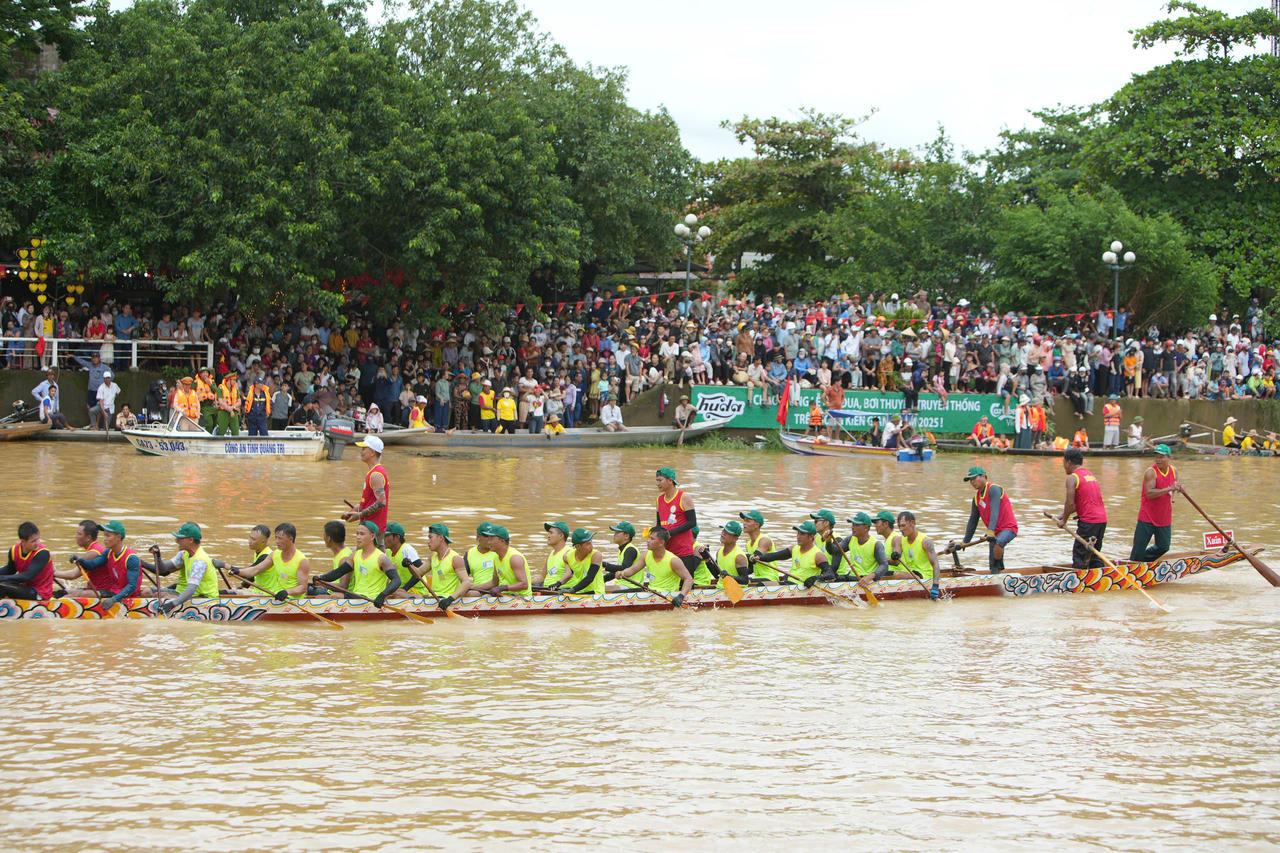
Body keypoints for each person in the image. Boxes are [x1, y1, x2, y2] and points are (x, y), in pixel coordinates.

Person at [316, 521, 400, 605]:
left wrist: (383, 595)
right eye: (357, 534)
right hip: (356, 596)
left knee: (335, 596)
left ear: (372, 536)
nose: (358, 537)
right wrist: (321, 578)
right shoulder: (355, 555)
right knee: (321, 596)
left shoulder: (381, 558)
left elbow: (396, 580)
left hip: (372, 599)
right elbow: (338, 573)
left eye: (362, 534)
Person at [1053, 448, 1108, 569]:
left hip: (1089, 522)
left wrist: (1064, 521)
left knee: (1079, 554)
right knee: (1094, 553)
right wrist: (1063, 514)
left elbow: (1070, 503)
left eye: (1063, 462)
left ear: (1068, 462)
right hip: (1101, 520)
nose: (1064, 466)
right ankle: (1100, 578)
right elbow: (1084, 502)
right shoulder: (1089, 475)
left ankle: (1076, 581)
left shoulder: (1072, 478)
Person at [147, 522, 219, 614]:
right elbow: (163, 569)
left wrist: (171, 605)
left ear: (190, 540)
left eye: (180, 538)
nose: (176, 540)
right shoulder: (184, 554)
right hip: (187, 594)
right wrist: (158, 556)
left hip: (204, 599)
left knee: (161, 595)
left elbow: (191, 590)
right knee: (147, 592)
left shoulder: (200, 561)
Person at [68, 521, 140, 607]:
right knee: (69, 591)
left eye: (108, 536)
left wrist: (113, 600)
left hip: (127, 596)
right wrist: (80, 560)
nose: (104, 539)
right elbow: (92, 565)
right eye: (104, 535)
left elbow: (132, 586)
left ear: (118, 537)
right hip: (113, 591)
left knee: (82, 594)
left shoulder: (131, 558)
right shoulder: (109, 552)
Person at [1130, 444, 1182, 562]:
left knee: (1164, 547)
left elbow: (1176, 487)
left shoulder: (1174, 471)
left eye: (1161, 457)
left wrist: (1179, 489)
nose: (1158, 460)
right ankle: (1135, 563)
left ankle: (1143, 561)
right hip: (1147, 517)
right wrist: (1169, 488)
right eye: (1156, 457)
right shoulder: (1151, 472)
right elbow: (1149, 493)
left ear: (1169, 457)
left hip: (1164, 516)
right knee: (1138, 550)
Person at [962, 466, 1018, 574]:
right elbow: (973, 521)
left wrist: (990, 530)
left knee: (999, 543)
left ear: (983, 476)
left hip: (1009, 528)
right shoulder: (976, 499)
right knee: (992, 565)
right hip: (993, 533)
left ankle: (999, 571)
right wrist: (965, 541)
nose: (972, 482)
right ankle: (997, 574)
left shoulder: (994, 489)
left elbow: (995, 510)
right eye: (970, 480)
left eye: (974, 478)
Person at [616, 527, 690, 607]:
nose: (648, 541)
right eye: (648, 538)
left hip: (667, 596)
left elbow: (688, 579)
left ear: (661, 543)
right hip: (651, 592)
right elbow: (633, 569)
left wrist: (681, 596)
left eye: (652, 539)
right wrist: (622, 573)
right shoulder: (646, 555)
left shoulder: (673, 561)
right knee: (615, 594)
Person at [748, 519, 832, 588]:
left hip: (802, 586)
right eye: (798, 533)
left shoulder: (818, 555)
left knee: (762, 586)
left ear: (810, 537)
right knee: (760, 585)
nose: (798, 536)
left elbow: (830, 574)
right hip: (789, 583)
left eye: (802, 534)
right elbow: (774, 556)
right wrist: (759, 557)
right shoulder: (794, 548)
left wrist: (815, 578)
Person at [341, 435, 389, 538]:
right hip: (368, 528)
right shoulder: (373, 473)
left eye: (364, 449)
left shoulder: (376, 474)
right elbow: (368, 501)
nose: (361, 452)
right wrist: (354, 511)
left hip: (373, 530)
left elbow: (381, 501)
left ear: (372, 452)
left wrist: (360, 515)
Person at [888, 511, 943, 599]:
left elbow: (935, 564)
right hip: (911, 572)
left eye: (903, 525)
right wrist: (893, 557)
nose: (901, 529)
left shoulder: (925, 541)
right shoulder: (899, 540)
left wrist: (935, 585)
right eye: (899, 526)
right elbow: (895, 563)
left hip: (924, 576)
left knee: (897, 575)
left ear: (912, 523)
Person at [420, 523, 471, 610]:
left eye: (430, 537)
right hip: (433, 597)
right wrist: (409, 564)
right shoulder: (432, 557)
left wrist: (450, 599)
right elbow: (418, 573)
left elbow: (466, 582)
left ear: (441, 538)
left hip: (447, 600)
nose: (428, 541)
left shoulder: (455, 559)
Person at [655, 466, 698, 567]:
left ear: (670, 480)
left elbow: (692, 522)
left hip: (683, 552)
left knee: (685, 582)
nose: (657, 484)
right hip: (666, 552)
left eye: (660, 480)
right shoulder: (659, 500)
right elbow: (659, 525)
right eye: (656, 480)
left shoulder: (684, 497)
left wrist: (670, 533)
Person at [0, 522, 54, 600]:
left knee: (2, 586)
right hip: (25, 588)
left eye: (38, 539)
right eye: (33, 541)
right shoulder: (14, 550)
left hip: (40, 593)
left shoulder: (42, 553)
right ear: (23, 541)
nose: (37, 543)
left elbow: (27, 576)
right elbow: (10, 570)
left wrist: (2, 578)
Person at [54, 519, 108, 594]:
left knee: (64, 597)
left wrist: (51, 572)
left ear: (88, 537)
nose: (76, 537)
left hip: (101, 591)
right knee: (60, 593)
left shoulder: (93, 553)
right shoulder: (95, 548)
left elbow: (73, 575)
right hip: (95, 589)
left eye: (79, 534)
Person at [699, 520, 750, 588]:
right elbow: (717, 575)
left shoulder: (739, 556)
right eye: (724, 530)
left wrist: (729, 576)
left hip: (735, 591)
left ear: (735, 538)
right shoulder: (719, 552)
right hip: (720, 588)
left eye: (728, 532)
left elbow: (745, 580)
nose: (723, 534)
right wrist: (707, 559)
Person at [487, 525, 532, 597]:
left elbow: (524, 585)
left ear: (502, 541)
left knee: (486, 597)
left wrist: (502, 588)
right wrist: (473, 587)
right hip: (505, 595)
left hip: (521, 597)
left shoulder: (515, 558)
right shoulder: (496, 557)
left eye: (491, 539)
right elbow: (494, 583)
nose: (488, 542)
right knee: (474, 594)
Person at [738, 510, 780, 583]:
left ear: (756, 525)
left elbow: (755, 556)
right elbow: (751, 568)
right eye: (744, 521)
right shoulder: (748, 544)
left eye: (747, 521)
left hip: (770, 578)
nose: (744, 523)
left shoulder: (764, 540)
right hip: (757, 577)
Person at [603, 521, 645, 591]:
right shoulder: (622, 550)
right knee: (598, 588)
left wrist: (605, 564)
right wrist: (602, 580)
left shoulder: (630, 550)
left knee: (599, 590)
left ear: (626, 536)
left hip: (632, 586)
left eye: (617, 533)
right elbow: (616, 572)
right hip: (623, 584)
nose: (614, 535)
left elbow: (623, 568)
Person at [562, 528, 606, 594]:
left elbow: (589, 578)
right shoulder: (567, 556)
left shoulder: (596, 555)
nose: (592, 546)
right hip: (579, 591)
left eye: (591, 543)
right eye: (588, 544)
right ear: (578, 546)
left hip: (596, 593)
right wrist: (558, 583)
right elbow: (568, 574)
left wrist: (571, 590)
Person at [465, 523, 500, 593]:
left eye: (492, 536)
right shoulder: (469, 554)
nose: (490, 540)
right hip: (477, 591)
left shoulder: (498, 552)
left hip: (496, 590)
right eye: (486, 536)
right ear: (478, 537)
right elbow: (463, 579)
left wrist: (472, 587)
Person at [539, 520, 572, 589]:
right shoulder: (550, 554)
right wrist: (527, 582)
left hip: (561, 591)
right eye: (548, 533)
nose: (548, 536)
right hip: (547, 590)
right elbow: (542, 577)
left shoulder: (569, 553)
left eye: (551, 533)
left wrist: (557, 584)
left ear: (561, 536)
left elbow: (569, 574)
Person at [215, 369, 242, 435]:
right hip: (223, 412)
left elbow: (239, 402)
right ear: (228, 380)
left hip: (234, 412)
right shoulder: (221, 388)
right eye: (234, 380)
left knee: (235, 431)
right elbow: (221, 401)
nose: (235, 382)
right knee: (221, 431)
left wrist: (232, 408)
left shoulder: (235, 389)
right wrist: (229, 410)